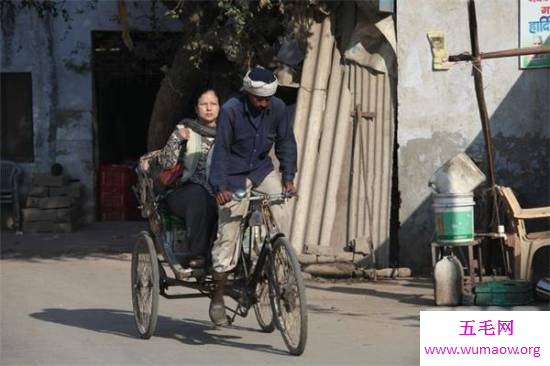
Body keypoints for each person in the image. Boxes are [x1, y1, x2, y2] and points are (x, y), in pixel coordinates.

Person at [208, 67, 297, 325]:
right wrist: (220, 187)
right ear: (247, 93)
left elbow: (286, 143)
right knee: (228, 232)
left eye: (267, 98)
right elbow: (222, 151)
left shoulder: (278, 108)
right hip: (233, 175)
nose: (263, 103)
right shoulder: (231, 110)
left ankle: (281, 276)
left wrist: (288, 176)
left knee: (282, 216)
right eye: (259, 98)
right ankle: (218, 297)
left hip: (261, 171)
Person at [158, 89, 220, 270]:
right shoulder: (185, 129)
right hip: (183, 192)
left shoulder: (228, 132)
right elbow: (166, 162)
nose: (209, 108)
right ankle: (198, 254)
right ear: (196, 108)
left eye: (213, 104)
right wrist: (177, 139)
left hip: (217, 190)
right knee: (199, 196)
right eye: (204, 104)